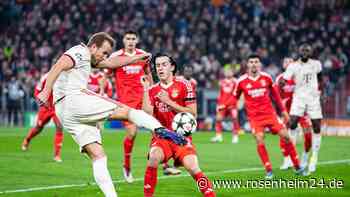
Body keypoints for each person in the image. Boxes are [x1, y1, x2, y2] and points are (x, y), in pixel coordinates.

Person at [37, 32, 187, 197]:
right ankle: (159, 129)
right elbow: (60, 64)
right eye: (104, 52)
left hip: (66, 113)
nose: (104, 56)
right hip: (74, 99)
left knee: (98, 156)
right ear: (93, 47)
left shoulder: (89, 58)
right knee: (126, 110)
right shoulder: (80, 52)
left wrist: (135, 59)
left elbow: (111, 63)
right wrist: (45, 90)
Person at [142, 53, 216, 197]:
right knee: (153, 158)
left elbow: (193, 113)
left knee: (193, 167)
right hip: (162, 138)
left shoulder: (184, 85)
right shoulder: (153, 90)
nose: (160, 68)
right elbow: (147, 114)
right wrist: (145, 90)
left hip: (182, 138)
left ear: (172, 67)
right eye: (157, 65)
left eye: (164, 64)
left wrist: (169, 102)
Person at [233, 54, 304, 179]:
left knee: (286, 137)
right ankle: (269, 170)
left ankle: (297, 166)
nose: (254, 64)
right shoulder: (241, 81)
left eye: (256, 62)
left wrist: (284, 112)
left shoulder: (267, 78)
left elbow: (276, 97)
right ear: (248, 65)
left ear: (259, 64)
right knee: (260, 138)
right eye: (251, 62)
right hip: (255, 119)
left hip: (270, 115)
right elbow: (235, 97)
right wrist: (236, 106)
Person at [110, 30, 153, 182]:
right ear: (123, 40)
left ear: (137, 40)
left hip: (143, 100)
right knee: (132, 133)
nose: (130, 41)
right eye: (128, 38)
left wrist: (152, 91)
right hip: (126, 103)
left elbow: (148, 74)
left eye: (133, 38)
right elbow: (106, 75)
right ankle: (127, 166)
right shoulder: (116, 57)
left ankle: (162, 161)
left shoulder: (143, 55)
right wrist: (103, 92)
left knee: (156, 128)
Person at [279, 44, 324, 175]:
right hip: (298, 98)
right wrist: (282, 82)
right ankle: (293, 158)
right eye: (303, 50)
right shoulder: (293, 66)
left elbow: (320, 78)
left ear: (311, 52)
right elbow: (285, 79)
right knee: (292, 124)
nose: (305, 52)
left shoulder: (316, 64)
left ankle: (314, 157)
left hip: (313, 98)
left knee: (316, 127)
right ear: (298, 51)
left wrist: (322, 92)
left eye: (307, 50)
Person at [275, 57, 313, 170]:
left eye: (290, 62)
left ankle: (305, 156)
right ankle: (287, 160)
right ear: (283, 65)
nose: (288, 63)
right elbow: (277, 97)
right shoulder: (280, 79)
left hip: (301, 110)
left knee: (308, 136)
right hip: (287, 112)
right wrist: (281, 111)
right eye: (285, 61)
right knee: (284, 136)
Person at [21, 73, 64, 162]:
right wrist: (42, 101)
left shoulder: (65, 77)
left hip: (57, 107)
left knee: (59, 127)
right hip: (46, 107)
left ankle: (57, 155)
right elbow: (37, 91)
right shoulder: (45, 77)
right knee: (38, 128)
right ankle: (27, 139)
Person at [211, 65, 241, 144]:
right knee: (218, 119)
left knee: (234, 119)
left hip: (232, 104)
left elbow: (237, 94)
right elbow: (220, 94)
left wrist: (239, 102)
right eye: (226, 72)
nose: (228, 73)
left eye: (229, 71)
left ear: (233, 73)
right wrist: (218, 104)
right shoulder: (222, 82)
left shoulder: (236, 81)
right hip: (222, 104)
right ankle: (219, 136)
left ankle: (235, 136)